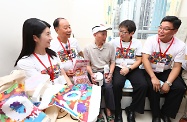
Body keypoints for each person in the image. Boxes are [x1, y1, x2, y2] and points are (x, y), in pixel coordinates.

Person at [15, 18, 72, 122]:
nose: (51, 38)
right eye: (47, 34)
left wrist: (72, 90)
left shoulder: (53, 55)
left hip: (66, 99)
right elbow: (43, 89)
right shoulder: (25, 63)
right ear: (35, 38)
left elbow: (63, 73)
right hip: (49, 107)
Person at [141, 16, 186, 122]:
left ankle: (166, 113)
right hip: (148, 70)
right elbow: (145, 59)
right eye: (160, 27)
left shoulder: (180, 45)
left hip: (165, 70)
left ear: (174, 31)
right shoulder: (151, 40)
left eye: (165, 29)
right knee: (154, 86)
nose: (161, 31)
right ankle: (156, 115)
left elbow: (176, 66)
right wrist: (153, 77)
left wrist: (168, 83)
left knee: (179, 88)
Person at [110, 20, 148, 122]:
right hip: (118, 66)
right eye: (120, 31)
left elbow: (139, 60)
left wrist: (129, 68)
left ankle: (131, 109)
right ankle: (117, 111)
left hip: (133, 67)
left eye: (124, 32)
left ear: (132, 33)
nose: (121, 34)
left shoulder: (137, 43)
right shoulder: (114, 42)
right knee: (117, 84)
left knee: (143, 85)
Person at [83, 24, 115, 122]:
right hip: (94, 72)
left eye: (106, 34)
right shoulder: (88, 48)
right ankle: (98, 111)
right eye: (102, 34)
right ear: (95, 35)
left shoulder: (110, 47)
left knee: (109, 87)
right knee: (96, 89)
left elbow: (113, 62)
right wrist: (92, 75)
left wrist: (110, 74)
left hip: (105, 71)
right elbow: (87, 64)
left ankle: (108, 110)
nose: (105, 37)